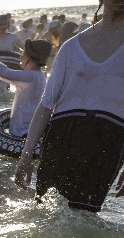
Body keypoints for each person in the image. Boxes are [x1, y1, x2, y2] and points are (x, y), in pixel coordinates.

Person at [15, 0, 124, 212]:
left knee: (84, 217)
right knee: (46, 213)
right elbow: (46, 105)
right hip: (62, 135)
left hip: (108, 141)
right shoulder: (71, 48)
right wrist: (26, 154)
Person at [0, 39, 51, 137]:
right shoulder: (40, 75)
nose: (20, 57)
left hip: (23, 131)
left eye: (24, 54)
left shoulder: (31, 76)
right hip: (27, 128)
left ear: (31, 59)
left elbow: (6, 73)